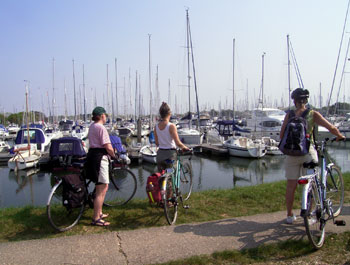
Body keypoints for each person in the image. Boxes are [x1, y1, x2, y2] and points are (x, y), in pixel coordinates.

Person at [280, 88, 345, 224]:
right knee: (310, 183)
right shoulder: (312, 114)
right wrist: (339, 135)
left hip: (291, 154)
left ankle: (290, 215)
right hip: (307, 153)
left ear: (294, 101)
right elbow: (331, 128)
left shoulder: (289, 115)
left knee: (291, 185)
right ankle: (308, 215)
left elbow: (281, 136)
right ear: (306, 100)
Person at [86, 106, 116, 226]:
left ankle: (99, 211)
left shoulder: (92, 126)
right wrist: (114, 155)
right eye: (105, 115)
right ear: (102, 116)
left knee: (104, 186)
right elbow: (107, 146)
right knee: (101, 189)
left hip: (93, 155)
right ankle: (96, 218)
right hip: (100, 158)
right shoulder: (101, 128)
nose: (106, 117)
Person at [154, 102, 189, 171]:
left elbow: (157, 143)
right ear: (169, 113)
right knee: (171, 176)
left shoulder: (156, 127)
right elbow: (178, 143)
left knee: (161, 176)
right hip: (170, 155)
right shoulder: (171, 126)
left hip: (160, 154)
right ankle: (170, 181)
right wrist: (186, 148)